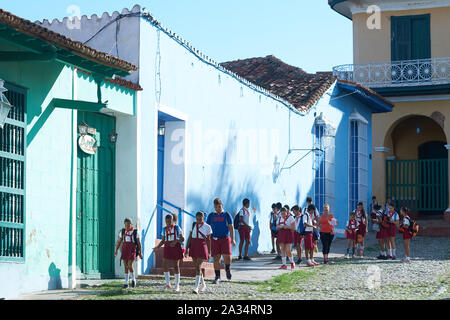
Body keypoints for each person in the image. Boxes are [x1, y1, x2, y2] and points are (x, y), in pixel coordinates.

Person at [206, 198, 236, 284]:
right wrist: (207, 239)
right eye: (216, 207)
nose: (218, 208)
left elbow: (231, 227)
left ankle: (227, 269)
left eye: (219, 206)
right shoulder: (211, 215)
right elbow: (208, 227)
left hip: (225, 238)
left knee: (227, 256)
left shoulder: (226, 215)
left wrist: (233, 239)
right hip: (214, 239)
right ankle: (217, 277)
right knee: (216, 258)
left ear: (222, 206)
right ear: (214, 207)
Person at [153, 213, 185, 291]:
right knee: (164, 264)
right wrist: (157, 247)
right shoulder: (164, 229)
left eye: (169, 221)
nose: (168, 223)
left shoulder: (177, 228)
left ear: (173, 220)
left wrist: (176, 241)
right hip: (167, 247)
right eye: (166, 221)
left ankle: (177, 285)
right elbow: (163, 240)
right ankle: (168, 283)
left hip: (176, 247)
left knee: (175, 266)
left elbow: (182, 239)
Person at [185, 211, 212, 294]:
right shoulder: (193, 225)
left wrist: (209, 252)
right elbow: (190, 237)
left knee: (198, 266)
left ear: (203, 218)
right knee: (197, 267)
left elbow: (208, 240)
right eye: (197, 219)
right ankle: (203, 284)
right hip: (194, 245)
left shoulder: (207, 227)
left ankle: (196, 288)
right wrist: (186, 249)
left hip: (202, 246)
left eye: (200, 218)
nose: (198, 220)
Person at [114, 218, 143, 289]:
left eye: (128, 225)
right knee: (125, 266)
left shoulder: (135, 232)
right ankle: (126, 283)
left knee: (129, 265)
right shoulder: (123, 232)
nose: (127, 226)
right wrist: (116, 250)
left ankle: (133, 279)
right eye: (126, 225)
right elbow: (119, 242)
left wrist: (140, 252)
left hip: (132, 250)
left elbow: (139, 244)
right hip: (125, 250)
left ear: (131, 224)